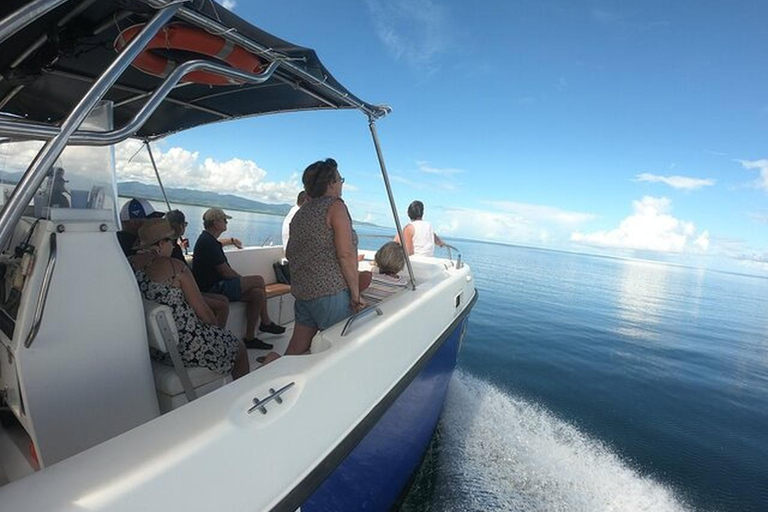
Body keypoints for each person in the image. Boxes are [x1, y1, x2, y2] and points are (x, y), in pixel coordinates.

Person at [265, 158, 363, 363]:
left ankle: (270, 369)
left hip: (304, 293)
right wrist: (355, 294)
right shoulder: (336, 207)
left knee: (295, 350)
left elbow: (291, 252)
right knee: (340, 351)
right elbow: (345, 255)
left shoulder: (301, 213)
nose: (342, 183)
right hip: (330, 294)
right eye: (340, 179)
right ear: (331, 183)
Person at [130, 219, 249, 380]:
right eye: (171, 241)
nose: (174, 245)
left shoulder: (132, 266)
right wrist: (218, 335)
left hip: (157, 349)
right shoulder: (175, 267)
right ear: (160, 244)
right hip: (187, 346)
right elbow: (205, 314)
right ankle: (242, 396)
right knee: (239, 347)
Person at [192, 207, 285, 350]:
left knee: (258, 294)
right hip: (213, 288)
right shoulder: (208, 243)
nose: (226, 223)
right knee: (258, 280)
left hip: (218, 285)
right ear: (216, 223)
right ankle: (265, 322)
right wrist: (243, 281)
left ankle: (250, 338)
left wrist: (231, 240)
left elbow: (218, 245)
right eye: (224, 220)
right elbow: (225, 272)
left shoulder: (208, 239)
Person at [166, 209, 229, 328]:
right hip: (185, 292)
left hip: (189, 288)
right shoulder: (173, 249)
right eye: (184, 225)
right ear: (180, 226)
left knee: (223, 300)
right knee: (222, 305)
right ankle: (217, 337)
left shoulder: (173, 247)